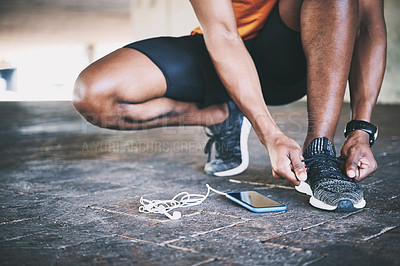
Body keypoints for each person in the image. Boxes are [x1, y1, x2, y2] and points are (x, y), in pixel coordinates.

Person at [73, 0, 386, 211]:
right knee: (94, 95)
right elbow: (222, 33)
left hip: (290, 56)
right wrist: (269, 134)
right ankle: (223, 115)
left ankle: (319, 149)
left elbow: (369, 25)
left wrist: (361, 129)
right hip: (221, 47)